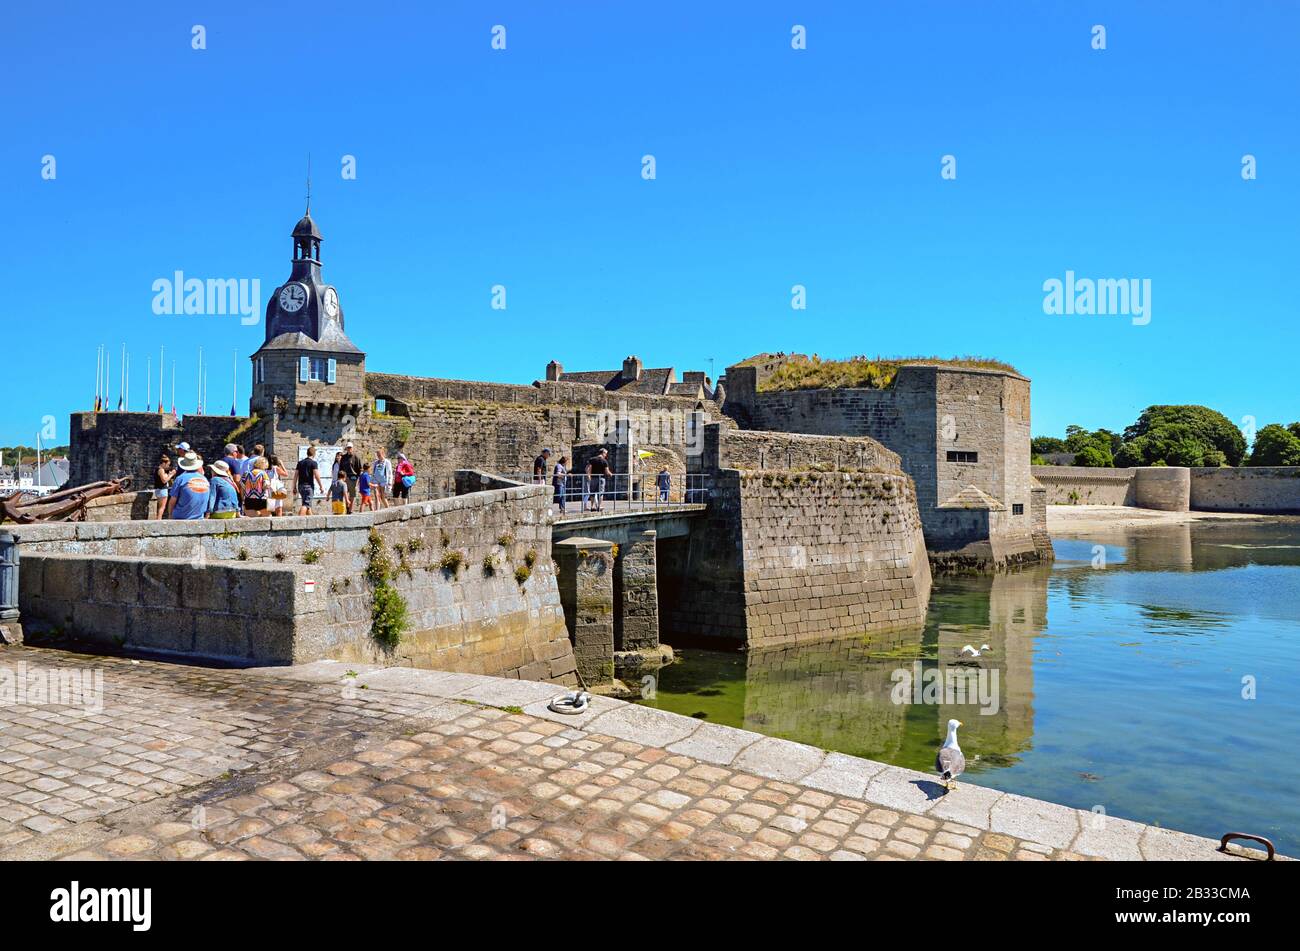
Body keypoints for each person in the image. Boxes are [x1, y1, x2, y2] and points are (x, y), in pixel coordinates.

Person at [167, 452, 210, 520]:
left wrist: (170, 515)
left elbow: (173, 500)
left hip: (181, 517)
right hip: (199, 517)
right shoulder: (205, 480)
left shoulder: (180, 479)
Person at [295, 446, 323, 515]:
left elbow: (295, 476)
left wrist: (294, 487)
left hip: (300, 486)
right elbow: (316, 475)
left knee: (308, 505)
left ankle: (312, 522)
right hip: (308, 486)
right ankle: (299, 522)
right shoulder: (313, 463)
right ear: (314, 454)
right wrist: (321, 486)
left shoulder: (300, 463)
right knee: (305, 505)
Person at [338, 443, 363, 512]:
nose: (349, 449)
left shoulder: (356, 457)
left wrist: (358, 480)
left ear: (352, 448)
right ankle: (346, 508)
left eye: (350, 447)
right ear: (346, 448)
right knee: (344, 493)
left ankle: (350, 510)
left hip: (353, 478)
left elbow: (360, 469)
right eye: (348, 448)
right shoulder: (343, 457)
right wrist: (340, 478)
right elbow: (341, 468)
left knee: (352, 495)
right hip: (344, 478)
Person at [153, 453, 174, 519]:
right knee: (162, 507)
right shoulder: (161, 470)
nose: (168, 466)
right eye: (167, 465)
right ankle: (159, 520)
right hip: (162, 490)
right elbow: (164, 481)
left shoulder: (157, 469)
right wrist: (171, 475)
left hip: (158, 489)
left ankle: (158, 519)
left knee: (160, 507)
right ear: (164, 463)